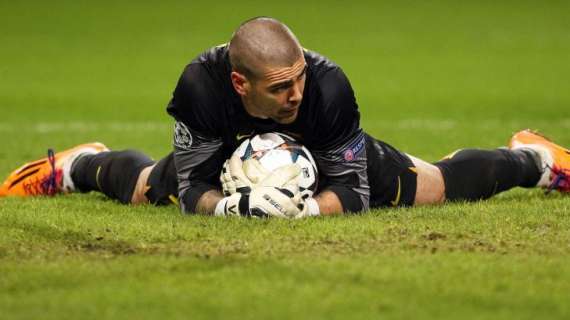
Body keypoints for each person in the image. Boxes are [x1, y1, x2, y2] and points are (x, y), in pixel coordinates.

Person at [1, 17, 568, 218]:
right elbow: (195, 183)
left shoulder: (327, 88)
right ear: (239, 83)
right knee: (149, 186)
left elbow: (352, 189)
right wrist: (226, 208)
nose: (296, 92)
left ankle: (535, 159)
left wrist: (304, 212)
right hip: (230, 159)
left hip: (322, 155)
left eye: (299, 77)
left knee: (437, 187)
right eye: (280, 87)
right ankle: (77, 167)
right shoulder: (200, 87)